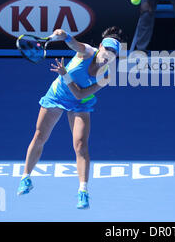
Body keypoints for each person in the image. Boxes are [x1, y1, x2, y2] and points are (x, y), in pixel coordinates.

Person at [17, 26, 123, 210]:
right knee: (40, 136)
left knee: (81, 145)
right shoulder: (86, 51)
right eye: (107, 49)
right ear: (100, 46)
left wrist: (65, 75)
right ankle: (26, 177)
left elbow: (81, 95)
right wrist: (55, 36)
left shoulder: (106, 75)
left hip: (80, 102)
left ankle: (83, 192)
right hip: (57, 95)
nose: (109, 54)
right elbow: (67, 37)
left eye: (114, 52)